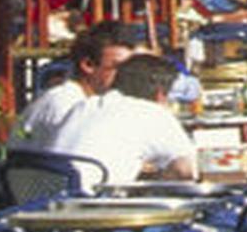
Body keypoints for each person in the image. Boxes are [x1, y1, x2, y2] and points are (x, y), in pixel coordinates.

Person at [50, 52, 200, 186]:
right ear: (161, 95)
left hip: (49, 201)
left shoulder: (84, 106)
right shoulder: (153, 113)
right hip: (94, 204)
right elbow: (187, 171)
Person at [18, 21, 135, 149]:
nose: (127, 75)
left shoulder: (63, 98)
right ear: (88, 65)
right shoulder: (70, 106)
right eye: (119, 67)